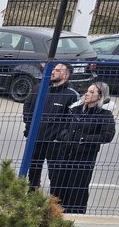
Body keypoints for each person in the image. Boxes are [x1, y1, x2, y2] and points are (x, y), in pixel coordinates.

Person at [51, 81, 116, 214]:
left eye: (92, 92)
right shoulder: (74, 110)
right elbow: (61, 127)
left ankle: (75, 217)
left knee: (77, 190)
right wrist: (65, 136)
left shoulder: (104, 115)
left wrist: (84, 139)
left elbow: (107, 136)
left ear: (100, 96)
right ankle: (54, 215)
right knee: (58, 187)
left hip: (84, 159)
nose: (87, 94)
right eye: (87, 91)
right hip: (64, 156)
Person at [24, 62, 79, 191]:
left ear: (66, 75)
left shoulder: (71, 95)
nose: (53, 72)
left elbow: (73, 120)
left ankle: (55, 200)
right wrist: (29, 127)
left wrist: (61, 137)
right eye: (54, 69)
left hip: (55, 143)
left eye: (58, 70)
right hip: (36, 138)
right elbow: (28, 106)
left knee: (55, 173)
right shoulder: (41, 88)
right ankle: (33, 192)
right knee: (33, 169)